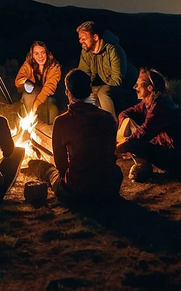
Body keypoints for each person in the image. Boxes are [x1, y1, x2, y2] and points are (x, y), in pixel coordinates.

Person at [26, 69, 123, 201]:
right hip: (109, 187)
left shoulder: (61, 121)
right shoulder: (108, 117)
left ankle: (41, 167)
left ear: (68, 93)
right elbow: (111, 152)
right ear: (90, 91)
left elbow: (61, 166)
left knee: (51, 172)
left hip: (78, 191)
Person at [116, 68, 181, 182]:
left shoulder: (160, 107)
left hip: (175, 160)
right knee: (128, 124)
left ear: (150, 88)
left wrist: (118, 148)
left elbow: (143, 134)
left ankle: (143, 169)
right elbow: (125, 113)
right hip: (166, 150)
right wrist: (124, 126)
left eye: (137, 85)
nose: (134, 88)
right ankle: (143, 167)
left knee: (133, 142)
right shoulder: (149, 101)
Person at [76, 20, 138, 121]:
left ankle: (112, 126)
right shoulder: (86, 52)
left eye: (84, 38)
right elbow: (83, 75)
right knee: (79, 92)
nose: (81, 41)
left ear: (95, 37)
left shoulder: (114, 50)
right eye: (79, 38)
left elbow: (117, 81)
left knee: (102, 92)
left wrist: (96, 88)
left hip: (130, 89)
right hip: (105, 87)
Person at [15, 41, 61, 124]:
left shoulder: (54, 67)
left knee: (51, 107)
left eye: (42, 52)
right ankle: (29, 128)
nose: (40, 56)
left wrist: (36, 103)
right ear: (32, 55)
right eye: (36, 53)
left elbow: (49, 88)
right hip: (32, 95)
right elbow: (18, 81)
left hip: (48, 97)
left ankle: (39, 128)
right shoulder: (28, 65)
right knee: (27, 95)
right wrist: (26, 81)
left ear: (46, 53)